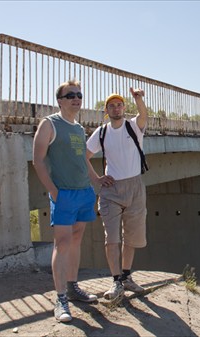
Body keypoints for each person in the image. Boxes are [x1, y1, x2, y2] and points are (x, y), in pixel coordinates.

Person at [32, 79, 98, 323]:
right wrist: (55, 193)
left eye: (79, 94)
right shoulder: (49, 124)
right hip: (64, 194)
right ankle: (60, 300)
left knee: (77, 239)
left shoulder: (79, 129)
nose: (76, 99)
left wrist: (96, 179)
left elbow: (83, 160)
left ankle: (72, 287)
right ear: (60, 100)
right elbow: (38, 161)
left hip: (84, 192)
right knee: (62, 242)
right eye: (70, 95)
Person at [86, 87, 148, 302]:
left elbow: (143, 115)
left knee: (131, 236)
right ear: (106, 110)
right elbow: (84, 155)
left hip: (135, 187)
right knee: (111, 238)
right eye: (111, 106)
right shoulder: (101, 132)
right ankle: (116, 282)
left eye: (119, 104)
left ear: (124, 108)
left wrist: (138, 98)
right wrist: (96, 178)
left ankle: (127, 276)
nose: (116, 108)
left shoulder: (133, 127)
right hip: (110, 190)